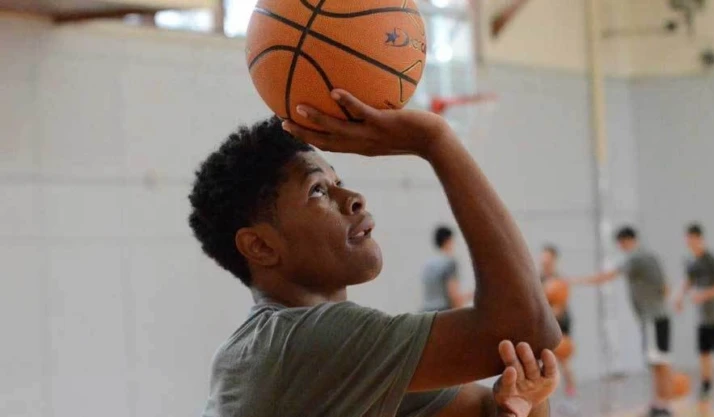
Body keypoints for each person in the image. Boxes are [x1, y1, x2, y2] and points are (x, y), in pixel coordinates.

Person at [189, 90, 562, 417]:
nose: (353, 198)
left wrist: (523, 403)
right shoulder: (301, 345)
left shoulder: (322, 354)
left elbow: (485, 410)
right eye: (317, 190)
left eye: (339, 182)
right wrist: (434, 140)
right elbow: (527, 329)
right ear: (261, 246)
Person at [570, 227, 673, 417]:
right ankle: (660, 403)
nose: (621, 247)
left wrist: (576, 281)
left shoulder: (637, 258)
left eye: (621, 243)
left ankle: (664, 405)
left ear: (627, 240)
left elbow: (608, 276)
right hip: (658, 316)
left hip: (652, 318)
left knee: (660, 362)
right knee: (658, 361)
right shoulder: (650, 257)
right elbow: (666, 288)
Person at [675, 223, 714, 412]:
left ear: (699, 238)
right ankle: (706, 386)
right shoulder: (692, 262)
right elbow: (688, 281)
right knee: (704, 353)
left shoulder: (712, 260)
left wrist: (705, 294)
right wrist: (679, 297)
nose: (689, 242)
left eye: (692, 238)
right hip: (702, 317)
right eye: (687, 239)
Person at [539, 245, 576, 398]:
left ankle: (571, 393)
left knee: (563, 359)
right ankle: (544, 396)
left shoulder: (560, 280)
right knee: (542, 360)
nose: (544, 260)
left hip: (559, 324)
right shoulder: (538, 279)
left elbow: (559, 308)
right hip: (543, 324)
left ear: (553, 259)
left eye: (547, 257)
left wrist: (548, 315)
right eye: (543, 257)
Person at [422, 225, 473, 312]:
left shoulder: (427, 264)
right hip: (443, 312)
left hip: (426, 313)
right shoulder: (449, 263)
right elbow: (454, 297)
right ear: (448, 240)